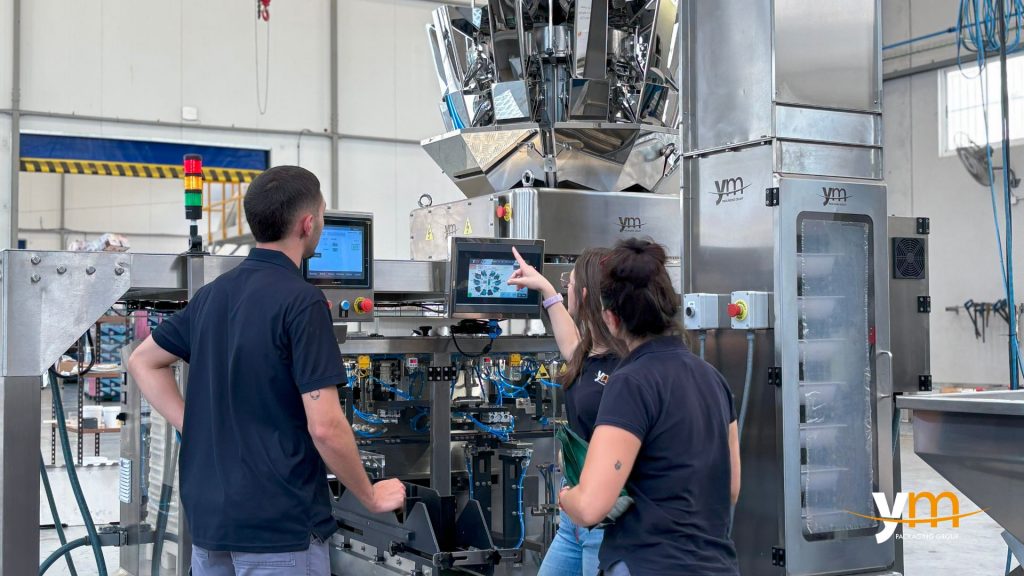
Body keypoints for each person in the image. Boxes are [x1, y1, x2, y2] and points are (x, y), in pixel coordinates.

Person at [127, 166, 405, 576]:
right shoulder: (303, 302)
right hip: (279, 527)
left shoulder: (211, 296)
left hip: (210, 525)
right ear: (307, 224)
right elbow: (325, 427)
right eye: (322, 215)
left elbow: (143, 360)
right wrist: (371, 496)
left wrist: (195, 424)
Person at [558, 238, 741, 576]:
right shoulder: (713, 379)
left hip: (646, 562)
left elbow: (590, 506)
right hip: (715, 565)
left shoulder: (630, 382)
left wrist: (567, 497)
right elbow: (730, 488)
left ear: (612, 319)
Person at [507, 246, 627, 576]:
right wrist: (545, 289)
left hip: (604, 521)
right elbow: (571, 344)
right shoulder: (589, 354)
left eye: (567, 283)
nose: (565, 289)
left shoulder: (626, 365)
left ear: (585, 294)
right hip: (573, 522)